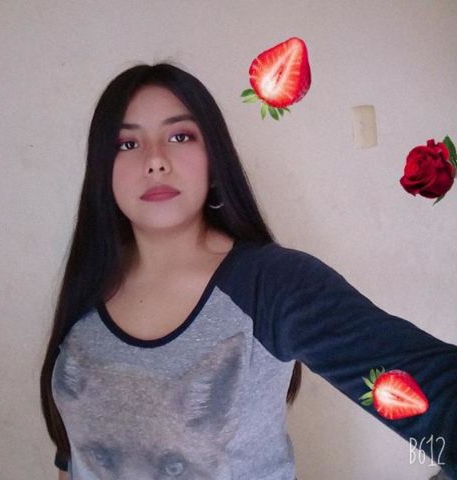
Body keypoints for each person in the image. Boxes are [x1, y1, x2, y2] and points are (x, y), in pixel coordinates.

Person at [40, 63, 457, 480]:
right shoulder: (89, 283)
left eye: (180, 136)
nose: (155, 161)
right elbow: (73, 452)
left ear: (214, 159)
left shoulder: (275, 285)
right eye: (127, 143)